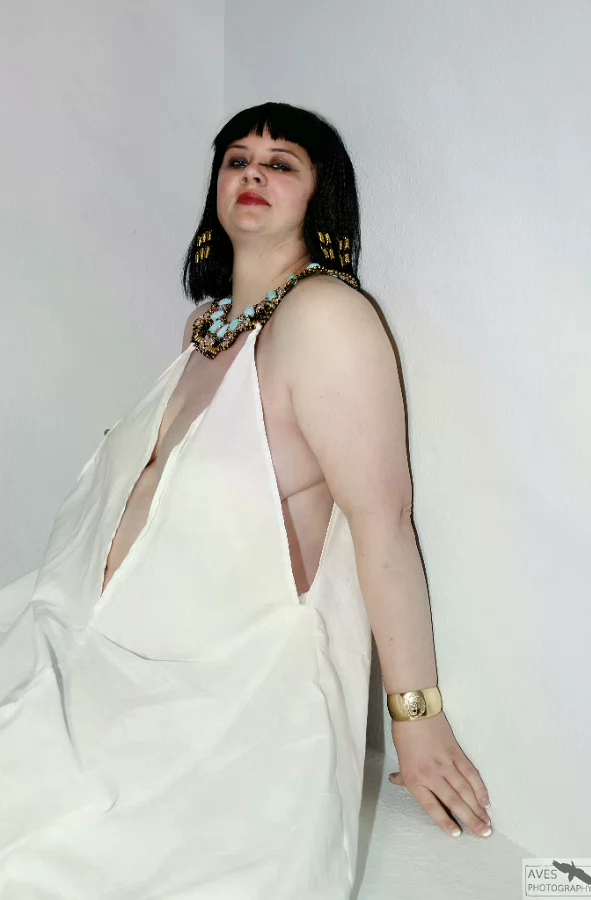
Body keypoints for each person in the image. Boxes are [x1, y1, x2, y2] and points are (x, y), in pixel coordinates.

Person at [0, 102, 491, 898]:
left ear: (321, 197)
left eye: (281, 162)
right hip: (90, 649)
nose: (253, 172)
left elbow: (384, 521)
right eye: (236, 160)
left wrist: (416, 719)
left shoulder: (329, 319)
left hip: (218, 700)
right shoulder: (210, 329)